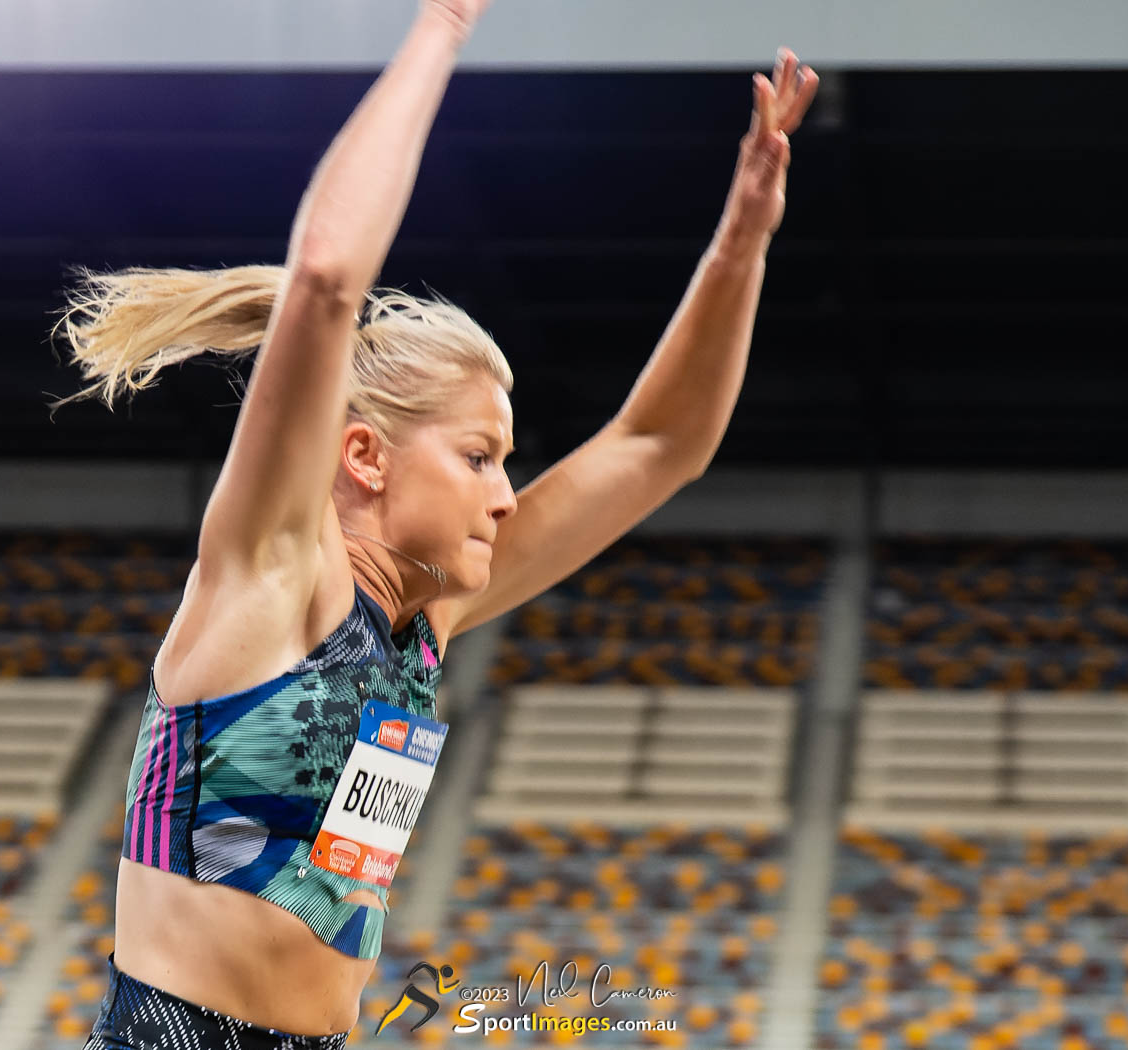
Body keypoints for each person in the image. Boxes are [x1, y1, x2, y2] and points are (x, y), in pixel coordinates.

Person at [55, 0, 817, 1046]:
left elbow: (657, 447)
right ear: (363, 456)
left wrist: (740, 244)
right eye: (477, 457)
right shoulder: (278, 578)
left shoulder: (421, 629)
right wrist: (441, 27)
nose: (507, 495)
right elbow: (325, 278)